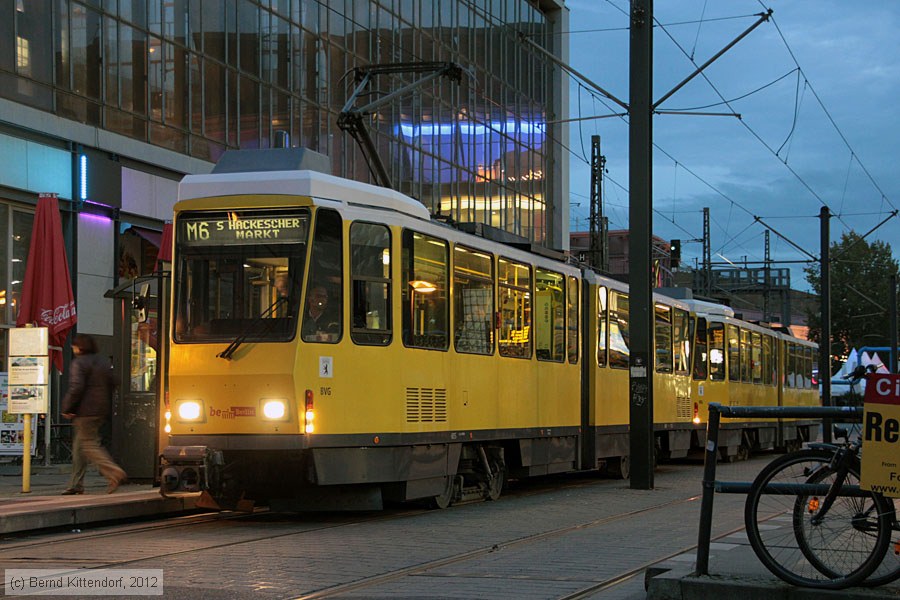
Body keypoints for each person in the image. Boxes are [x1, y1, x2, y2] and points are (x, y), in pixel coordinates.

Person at [61, 334, 127, 495]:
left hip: (85, 411)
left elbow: (76, 387)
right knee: (80, 445)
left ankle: (113, 472)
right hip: (100, 410)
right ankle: (76, 484)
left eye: (74, 345)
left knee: (89, 445)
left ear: (79, 347)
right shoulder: (102, 361)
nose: (73, 348)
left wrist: (67, 407)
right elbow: (114, 381)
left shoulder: (79, 363)